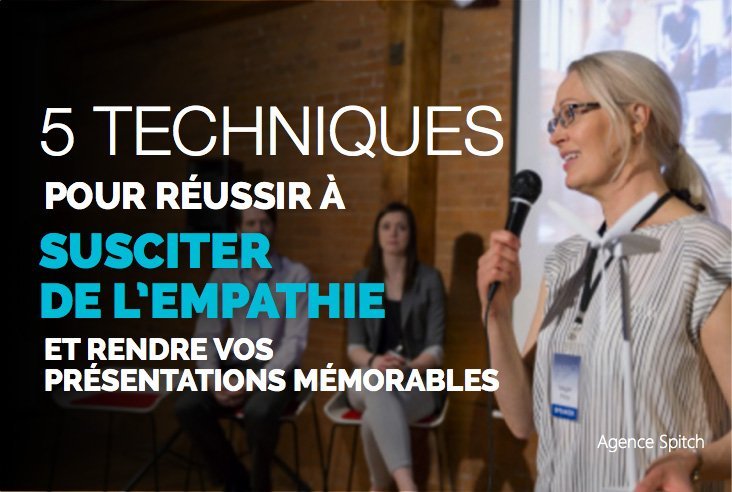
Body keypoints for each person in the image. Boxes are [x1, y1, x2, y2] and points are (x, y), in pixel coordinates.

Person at [477, 51, 730, 491]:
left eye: (570, 113)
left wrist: (693, 463)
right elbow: (521, 420)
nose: (556, 136)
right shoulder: (566, 259)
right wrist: (496, 317)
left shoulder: (705, 252)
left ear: (636, 118)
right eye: (554, 120)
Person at [175, 208, 312, 492]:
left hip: (278, 371)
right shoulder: (223, 275)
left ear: (274, 228)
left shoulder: (296, 275)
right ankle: (237, 482)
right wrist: (214, 380)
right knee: (187, 406)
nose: (258, 230)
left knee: (258, 413)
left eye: (265, 223)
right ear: (239, 231)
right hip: (234, 367)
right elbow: (205, 335)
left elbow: (295, 342)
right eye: (251, 223)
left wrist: (254, 382)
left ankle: (260, 487)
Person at [347, 202, 446, 492]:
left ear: (411, 235)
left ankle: (379, 486)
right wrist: (376, 362)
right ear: (377, 234)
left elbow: (436, 349)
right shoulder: (362, 282)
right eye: (386, 227)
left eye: (401, 227)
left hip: (417, 380)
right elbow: (354, 347)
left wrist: (407, 369)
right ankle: (407, 486)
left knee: (373, 417)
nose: (393, 233)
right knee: (375, 381)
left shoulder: (429, 280)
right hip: (369, 377)